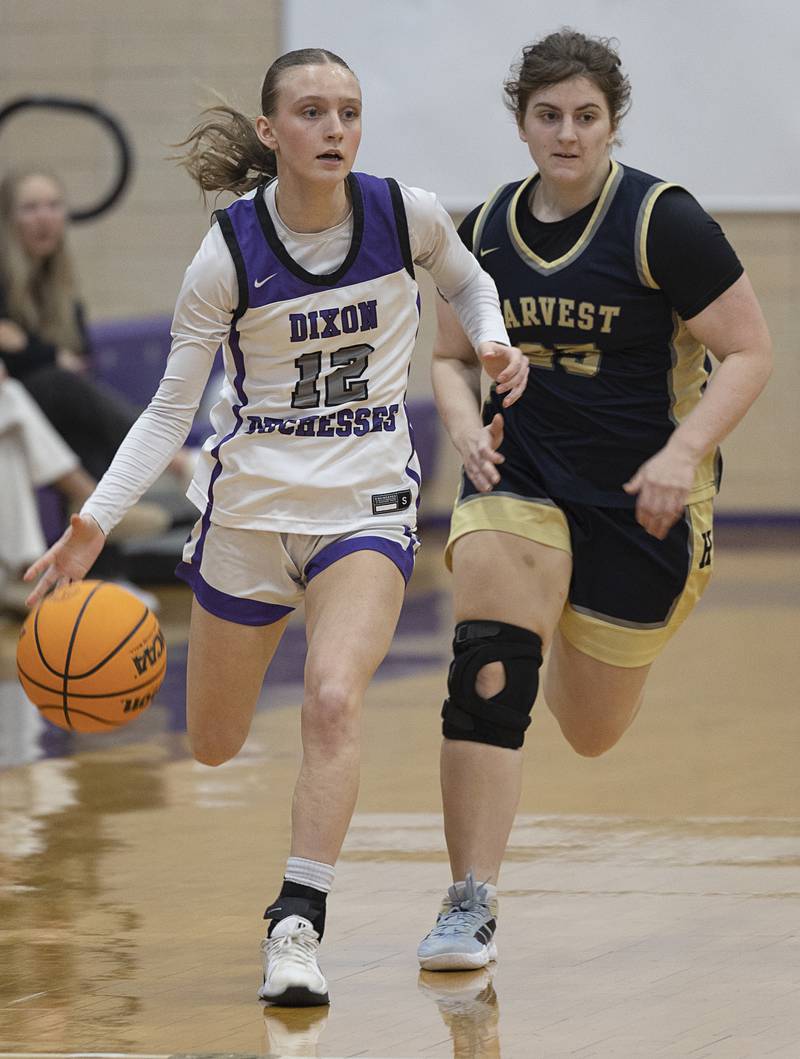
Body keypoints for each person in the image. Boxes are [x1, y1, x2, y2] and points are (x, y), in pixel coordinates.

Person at [23, 48, 528, 1007]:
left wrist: (493, 338)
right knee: (212, 742)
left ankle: (295, 925)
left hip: (365, 502)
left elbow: (468, 282)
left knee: (335, 698)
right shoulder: (227, 255)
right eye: (311, 111)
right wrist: (94, 520)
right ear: (271, 133)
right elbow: (170, 413)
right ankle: (276, 876)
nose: (335, 128)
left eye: (348, 110)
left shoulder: (402, 212)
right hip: (249, 514)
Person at [417, 28, 772, 972]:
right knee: (489, 673)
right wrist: (459, 426)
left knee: (591, 729)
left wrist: (683, 451)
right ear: (522, 123)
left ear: (613, 123)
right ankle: (469, 902)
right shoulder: (485, 228)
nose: (567, 134)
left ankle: (575, 609)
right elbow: (448, 359)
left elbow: (751, 351)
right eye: (548, 117)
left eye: (585, 117)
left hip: (641, 499)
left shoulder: (665, 221)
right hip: (519, 476)